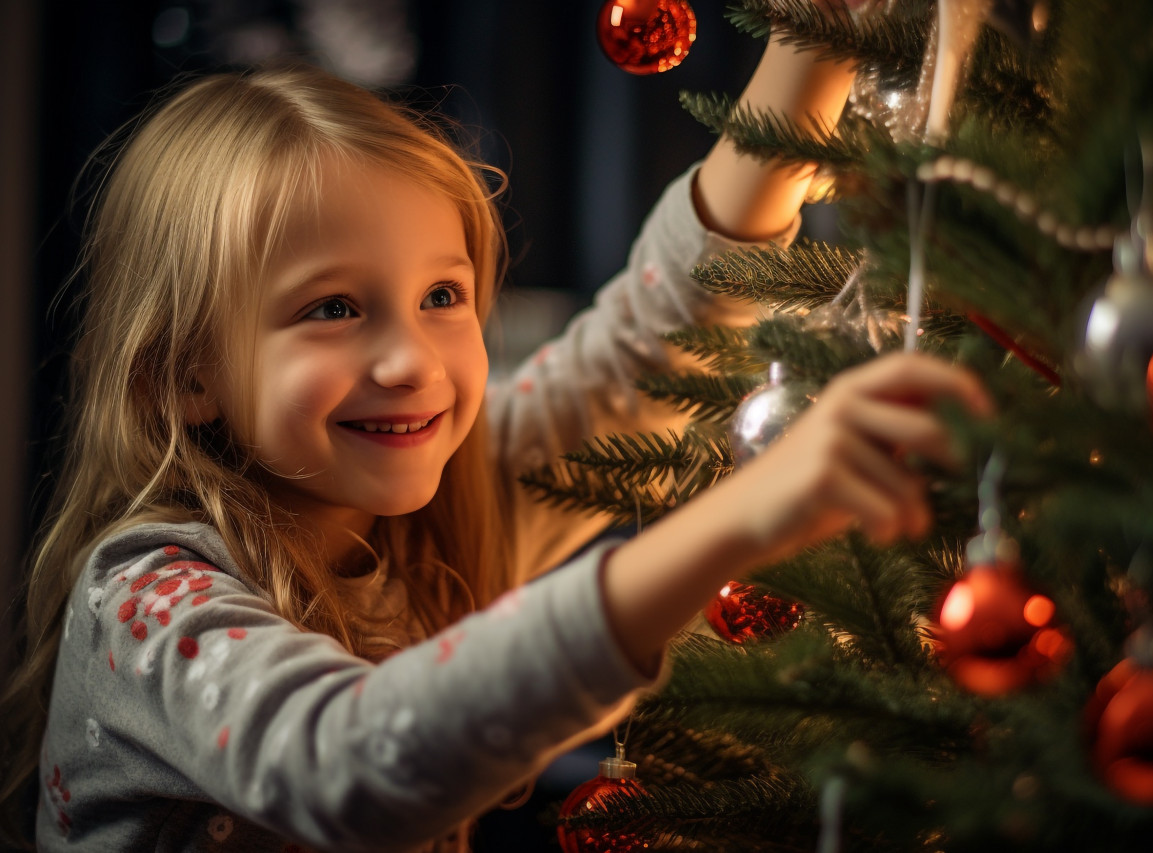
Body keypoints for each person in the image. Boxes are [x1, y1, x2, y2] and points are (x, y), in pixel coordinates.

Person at [0, 26, 992, 853]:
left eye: (442, 295)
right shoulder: (141, 598)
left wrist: (810, 43)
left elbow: (639, 354)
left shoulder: (441, 517)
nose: (410, 362)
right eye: (334, 307)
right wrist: (737, 522)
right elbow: (347, 762)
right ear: (183, 376)